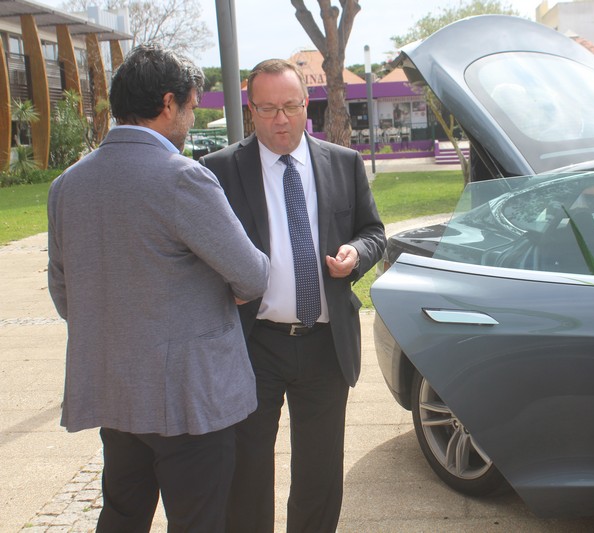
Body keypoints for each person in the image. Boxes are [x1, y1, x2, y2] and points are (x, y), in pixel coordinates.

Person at [47, 43, 270, 532]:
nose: (191, 118)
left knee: (122, 516)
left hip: (115, 391)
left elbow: (66, 295)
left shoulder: (68, 184)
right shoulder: (182, 177)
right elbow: (252, 275)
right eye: (191, 106)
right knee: (198, 521)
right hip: (189, 400)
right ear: (169, 103)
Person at [200, 58, 386, 533]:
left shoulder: (343, 163)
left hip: (326, 343)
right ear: (251, 110)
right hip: (252, 343)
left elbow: (373, 232)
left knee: (320, 474)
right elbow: (199, 252)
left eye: (290, 106)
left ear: (307, 104)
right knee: (247, 472)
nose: (280, 119)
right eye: (267, 109)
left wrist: (356, 254)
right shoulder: (218, 170)